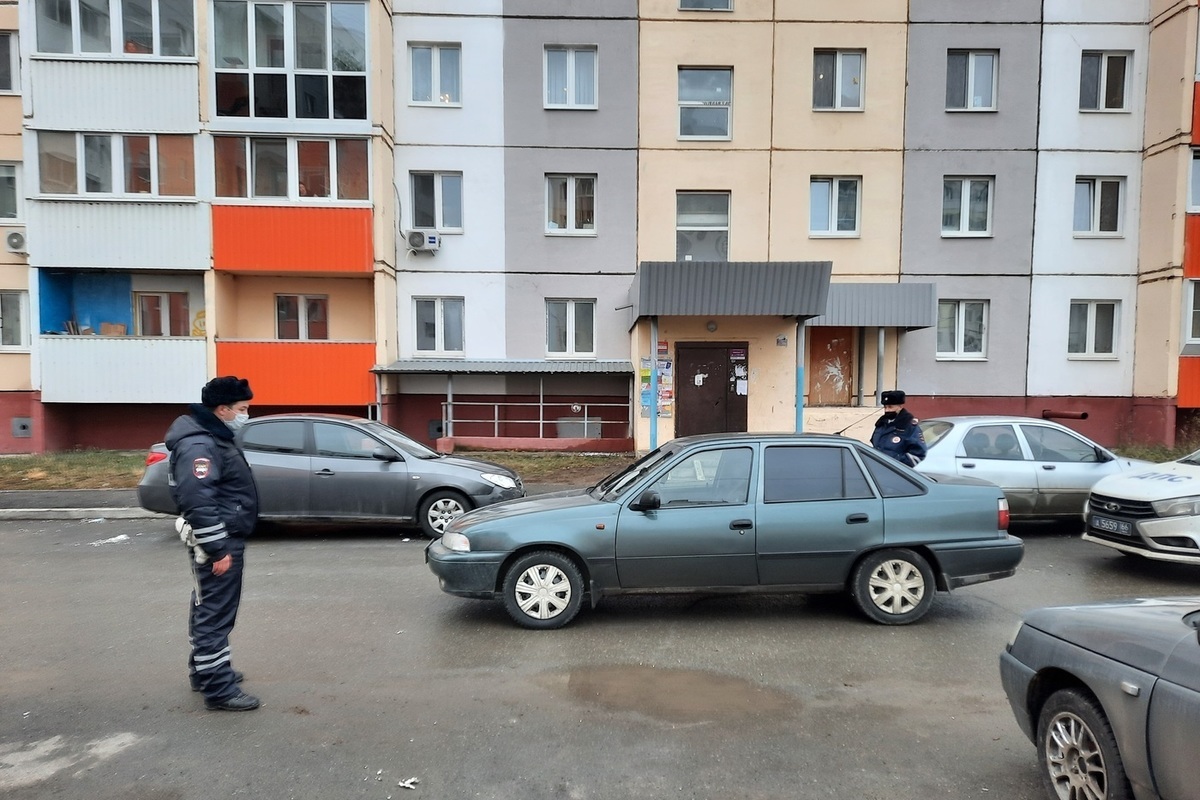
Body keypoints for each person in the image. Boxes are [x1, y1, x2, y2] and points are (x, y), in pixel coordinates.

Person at [166, 376, 261, 711]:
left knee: (208, 607)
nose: (245, 414)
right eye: (242, 409)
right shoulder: (200, 445)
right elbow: (198, 501)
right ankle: (219, 690)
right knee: (215, 614)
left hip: (223, 537)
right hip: (220, 542)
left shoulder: (211, 437)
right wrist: (217, 549)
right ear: (222, 409)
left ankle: (205, 672)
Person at [870, 390, 927, 467]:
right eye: (885, 407)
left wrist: (897, 465)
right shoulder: (881, 424)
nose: (887, 410)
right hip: (878, 469)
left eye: (890, 407)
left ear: (900, 406)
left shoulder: (909, 426)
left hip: (896, 472)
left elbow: (918, 454)